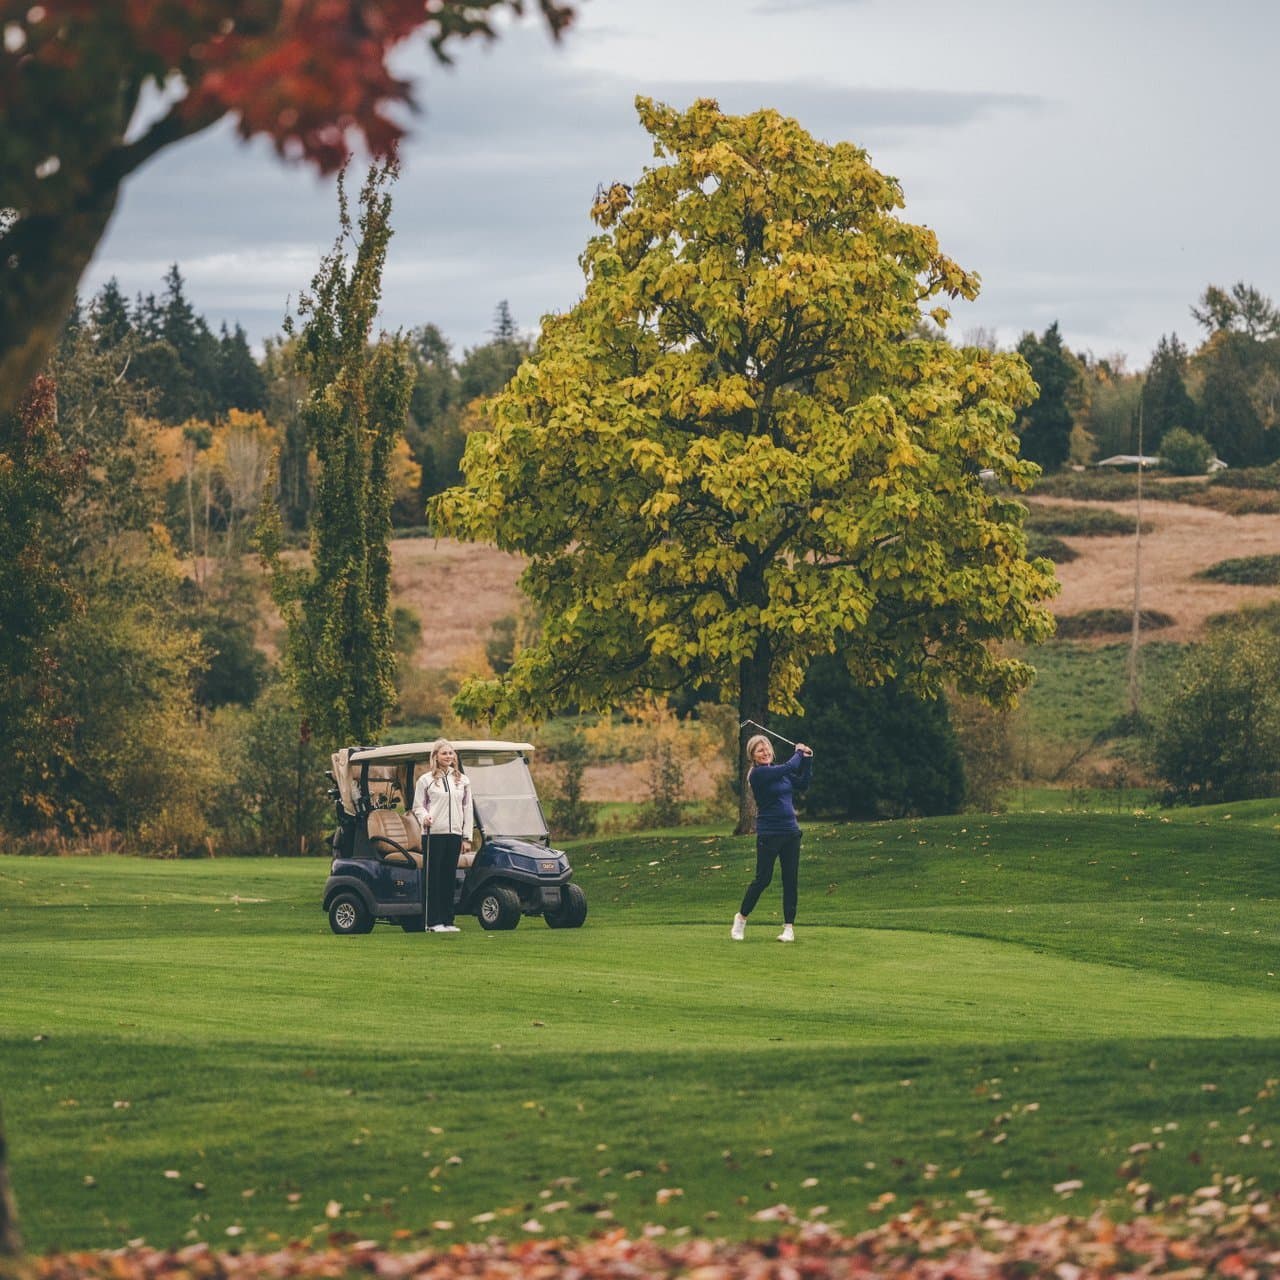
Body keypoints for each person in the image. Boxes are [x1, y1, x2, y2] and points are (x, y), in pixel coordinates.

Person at [731, 734, 813, 943]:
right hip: (769, 833)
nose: (765, 752)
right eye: (760, 750)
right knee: (763, 879)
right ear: (753, 756)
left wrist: (807, 759)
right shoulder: (758, 775)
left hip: (791, 833)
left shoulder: (780, 772)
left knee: (790, 880)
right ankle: (741, 918)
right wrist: (798, 753)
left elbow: (802, 783)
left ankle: (788, 928)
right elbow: (788, 768)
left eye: (767, 748)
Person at [411, 739, 474, 933]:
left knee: (448, 878)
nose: (449, 756)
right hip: (433, 834)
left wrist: (467, 837)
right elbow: (417, 806)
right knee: (433, 878)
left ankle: (448, 921)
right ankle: (432, 922)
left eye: (451, 753)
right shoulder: (426, 780)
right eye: (444, 753)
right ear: (436, 756)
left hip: (454, 834)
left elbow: (468, 808)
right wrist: (424, 817)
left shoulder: (462, 780)